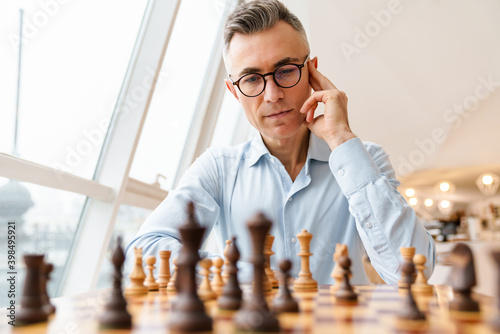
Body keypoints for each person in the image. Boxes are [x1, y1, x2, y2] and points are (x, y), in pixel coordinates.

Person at [125, 0, 435, 285]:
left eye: (285, 71)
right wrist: (235, 271)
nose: (273, 95)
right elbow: (143, 251)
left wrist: (342, 140)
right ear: (234, 92)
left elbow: (411, 272)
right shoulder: (218, 169)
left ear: (312, 71)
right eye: (251, 79)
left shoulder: (365, 160)